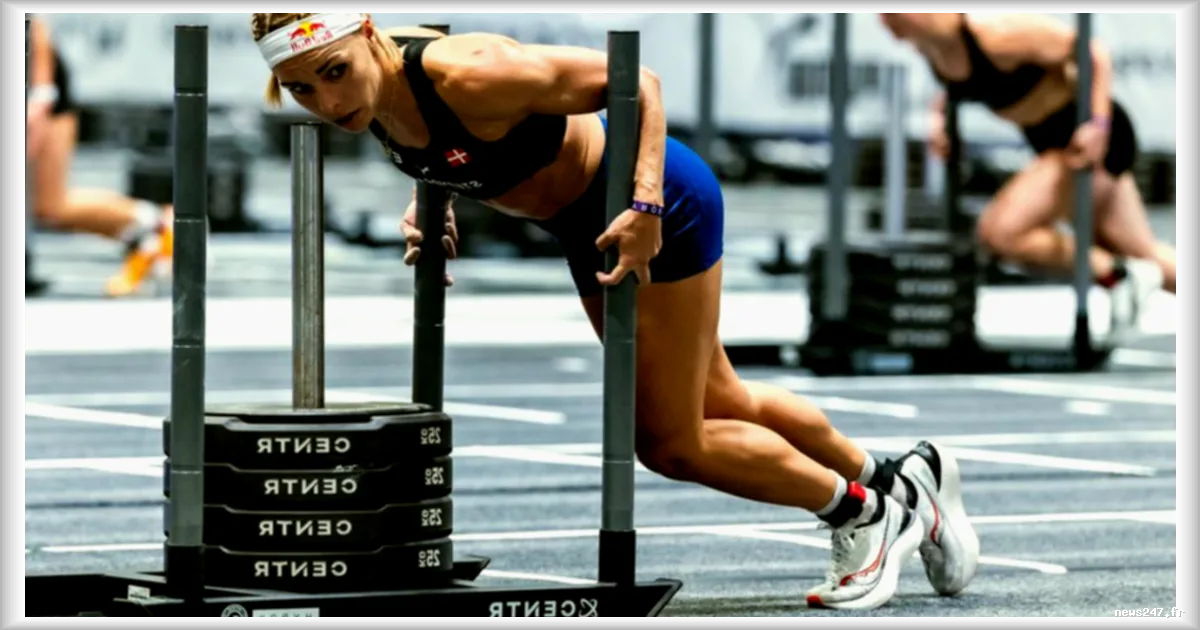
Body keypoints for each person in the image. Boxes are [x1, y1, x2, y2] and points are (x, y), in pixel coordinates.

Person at [250, 13, 980, 609]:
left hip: (652, 207)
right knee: (721, 400)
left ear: (369, 32)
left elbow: (638, 81)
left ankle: (866, 513)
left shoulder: (474, 74)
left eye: (335, 72)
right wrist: (432, 200)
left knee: (672, 444)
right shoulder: (370, 89)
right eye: (301, 88)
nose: (328, 101)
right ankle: (899, 478)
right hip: (588, 225)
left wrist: (646, 205)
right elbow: (439, 148)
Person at [881, 12, 1175, 332]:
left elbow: (1094, 54)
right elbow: (954, 87)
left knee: (1000, 232)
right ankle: (1125, 270)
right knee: (1144, 254)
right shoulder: (932, 47)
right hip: (1056, 142)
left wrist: (1098, 126)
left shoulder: (997, 36)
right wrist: (939, 123)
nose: (887, 22)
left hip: (1084, 139)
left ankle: (1118, 273)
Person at [26, 15, 174, 298]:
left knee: (49, 204)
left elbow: (34, 23)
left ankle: (154, 224)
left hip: (40, 85)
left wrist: (41, 96)